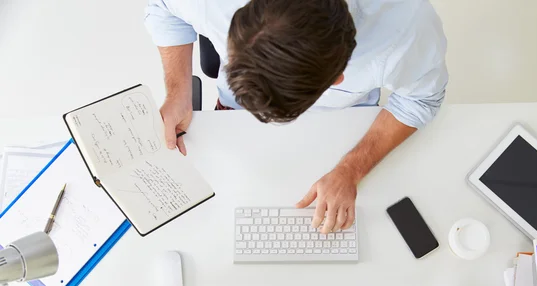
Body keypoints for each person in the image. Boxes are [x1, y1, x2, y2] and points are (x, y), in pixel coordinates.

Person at [145, 0, 447, 234]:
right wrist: (178, 92)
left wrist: (350, 170)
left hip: (345, 124)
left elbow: (420, 98)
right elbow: (162, 7)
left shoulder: (405, 27)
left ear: (337, 79)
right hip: (232, 116)